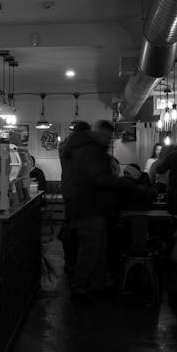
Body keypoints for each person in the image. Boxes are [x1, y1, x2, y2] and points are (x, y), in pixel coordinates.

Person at [61, 119, 132, 302]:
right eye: (109, 137)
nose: (110, 140)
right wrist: (125, 183)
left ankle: (98, 283)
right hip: (89, 207)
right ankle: (79, 287)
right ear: (100, 133)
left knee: (97, 248)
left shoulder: (86, 148)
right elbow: (98, 179)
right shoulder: (92, 150)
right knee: (90, 249)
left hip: (85, 206)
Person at [58, 121, 91, 275]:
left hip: (68, 188)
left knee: (69, 224)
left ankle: (70, 260)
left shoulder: (64, 144)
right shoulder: (78, 147)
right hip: (76, 191)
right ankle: (73, 262)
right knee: (74, 227)